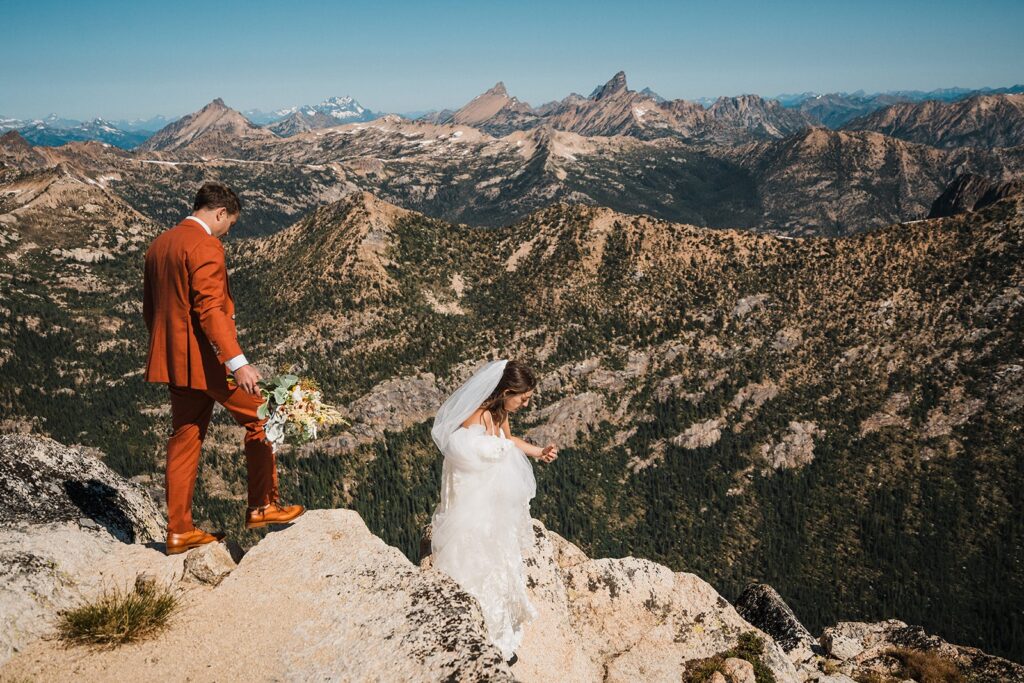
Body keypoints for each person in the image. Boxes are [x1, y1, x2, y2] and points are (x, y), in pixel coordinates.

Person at [142, 182, 304, 555]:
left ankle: (179, 530)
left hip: (174, 362)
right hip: (207, 362)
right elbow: (211, 310)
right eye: (229, 223)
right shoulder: (205, 245)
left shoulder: (160, 244)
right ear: (219, 213)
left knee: (184, 439)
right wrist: (238, 362)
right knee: (262, 416)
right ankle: (263, 505)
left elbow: (152, 310)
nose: (227, 231)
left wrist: (169, 349)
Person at [429, 359, 559, 665]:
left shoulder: (499, 413)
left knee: (501, 563)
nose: (526, 404)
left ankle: (502, 634)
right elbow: (459, 453)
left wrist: (538, 452)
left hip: (493, 503)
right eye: (523, 398)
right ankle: (485, 635)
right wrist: (489, 451)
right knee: (478, 564)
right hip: (475, 504)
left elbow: (508, 440)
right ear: (506, 391)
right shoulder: (474, 415)